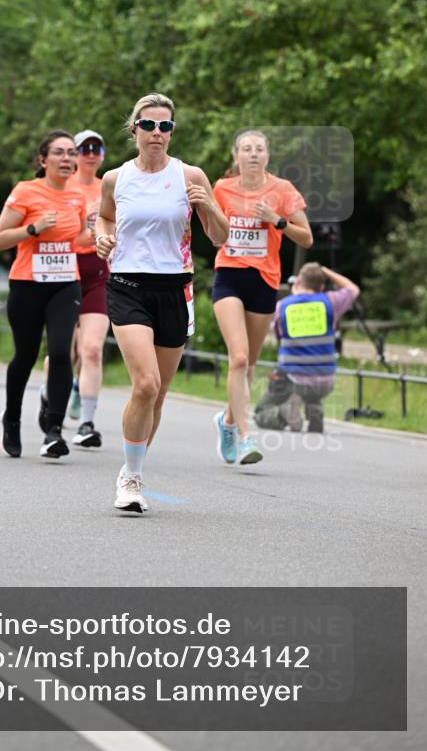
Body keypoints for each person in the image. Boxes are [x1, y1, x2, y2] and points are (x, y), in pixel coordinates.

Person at [96, 94, 229, 514]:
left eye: (165, 126)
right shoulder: (116, 179)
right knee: (146, 383)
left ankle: (132, 465)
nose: (157, 133)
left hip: (175, 288)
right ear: (133, 128)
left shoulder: (190, 175)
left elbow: (221, 236)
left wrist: (207, 205)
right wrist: (102, 235)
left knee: (160, 392)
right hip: (127, 285)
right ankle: (131, 479)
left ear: (172, 131)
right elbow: (104, 217)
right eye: (148, 125)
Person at [211, 129, 313, 466]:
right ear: (236, 155)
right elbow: (213, 235)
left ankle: (227, 421)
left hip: (264, 281)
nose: (253, 154)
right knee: (238, 359)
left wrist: (276, 220)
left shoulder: (282, 190)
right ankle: (245, 437)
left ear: (267, 157)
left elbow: (307, 238)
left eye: (259, 149)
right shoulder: (222, 188)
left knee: (249, 365)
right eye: (247, 149)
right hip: (228, 276)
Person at [0, 131, 89, 459]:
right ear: (42, 160)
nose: (67, 159)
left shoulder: (78, 195)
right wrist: (32, 229)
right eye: (59, 153)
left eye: (71, 153)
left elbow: (80, 238)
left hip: (65, 283)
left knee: (62, 352)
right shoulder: (25, 191)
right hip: (27, 284)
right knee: (25, 356)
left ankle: (54, 430)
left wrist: (105, 238)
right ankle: (12, 418)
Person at [37, 128, 108, 447]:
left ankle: (87, 424)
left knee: (91, 349)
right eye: (84, 148)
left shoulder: (110, 185)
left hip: (99, 272)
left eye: (97, 148)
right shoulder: (62, 188)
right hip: (65, 270)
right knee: (61, 352)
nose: (90, 153)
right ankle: (48, 393)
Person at [254, 262, 360, 433]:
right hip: (325, 382)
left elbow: (272, 331)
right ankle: (314, 410)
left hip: (293, 380)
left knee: (261, 413)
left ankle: (285, 413)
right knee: (311, 384)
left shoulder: (282, 307)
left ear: (297, 283)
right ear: (322, 286)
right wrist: (326, 271)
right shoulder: (330, 302)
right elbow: (353, 289)